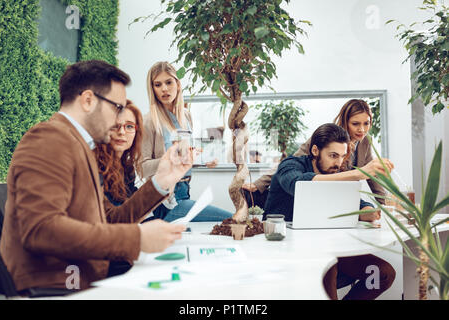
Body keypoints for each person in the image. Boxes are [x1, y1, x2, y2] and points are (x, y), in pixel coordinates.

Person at [0, 60, 191, 295]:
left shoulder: (78, 146)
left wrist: (163, 180)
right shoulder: (48, 139)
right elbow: (42, 229)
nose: (118, 122)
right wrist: (136, 238)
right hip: (56, 288)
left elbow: (111, 219)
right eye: (116, 107)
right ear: (88, 100)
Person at [263, 123, 396, 300]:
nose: (339, 163)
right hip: (288, 249)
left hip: (329, 247)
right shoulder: (290, 165)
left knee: (383, 273)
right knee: (329, 264)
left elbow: (357, 202)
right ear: (316, 150)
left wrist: (368, 211)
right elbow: (299, 184)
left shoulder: (336, 172)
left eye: (342, 156)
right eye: (333, 156)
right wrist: (359, 174)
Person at [243, 99, 386, 208]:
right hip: (316, 192)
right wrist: (259, 183)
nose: (362, 129)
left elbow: (373, 178)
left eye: (366, 123)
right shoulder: (327, 138)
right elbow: (290, 164)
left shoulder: (365, 142)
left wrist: (386, 205)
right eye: (356, 124)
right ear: (346, 121)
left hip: (339, 196)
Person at [140, 61, 232, 222]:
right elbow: (142, 168)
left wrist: (202, 161)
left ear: (178, 84)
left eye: (169, 82)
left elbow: (183, 157)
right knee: (230, 219)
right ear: (152, 88)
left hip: (184, 190)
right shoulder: (149, 121)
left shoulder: (186, 115)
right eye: (158, 84)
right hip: (166, 200)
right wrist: (168, 159)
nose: (164, 89)